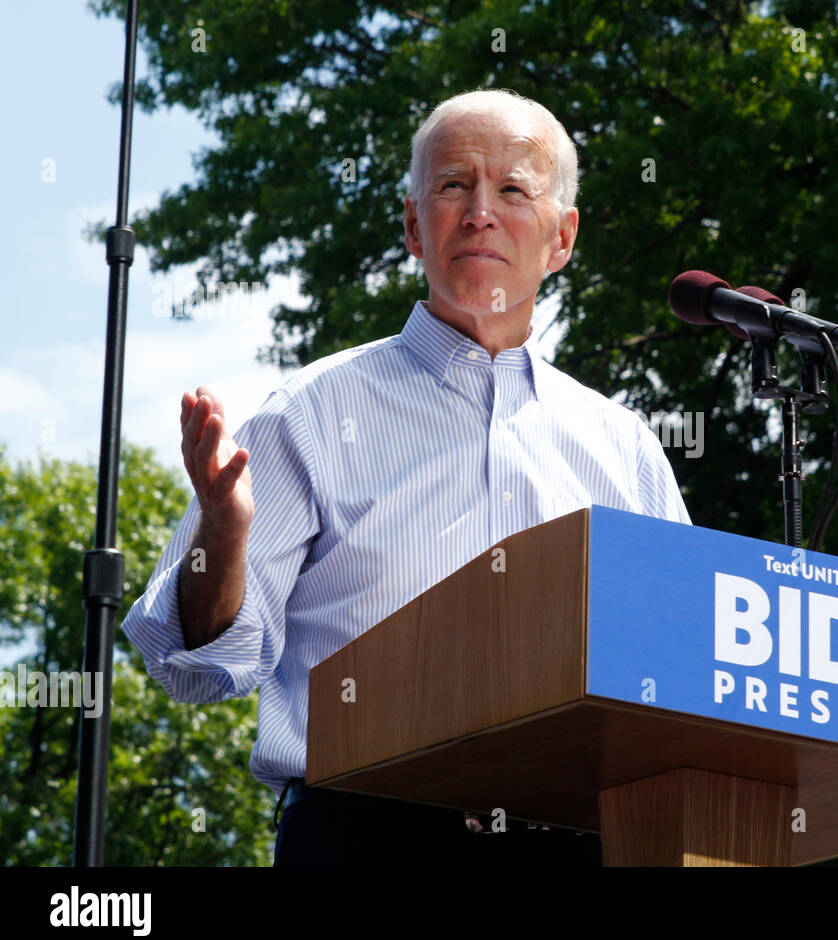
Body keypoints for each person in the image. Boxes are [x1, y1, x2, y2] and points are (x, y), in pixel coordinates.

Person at [121, 89, 692, 866]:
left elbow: (683, 671)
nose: (480, 211)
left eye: (514, 189)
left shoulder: (624, 448)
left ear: (562, 238)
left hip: (579, 841)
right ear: (414, 226)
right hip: (366, 837)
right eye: (455, 185)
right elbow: (196, 666)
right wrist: (220, 536)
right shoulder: (310, 412)